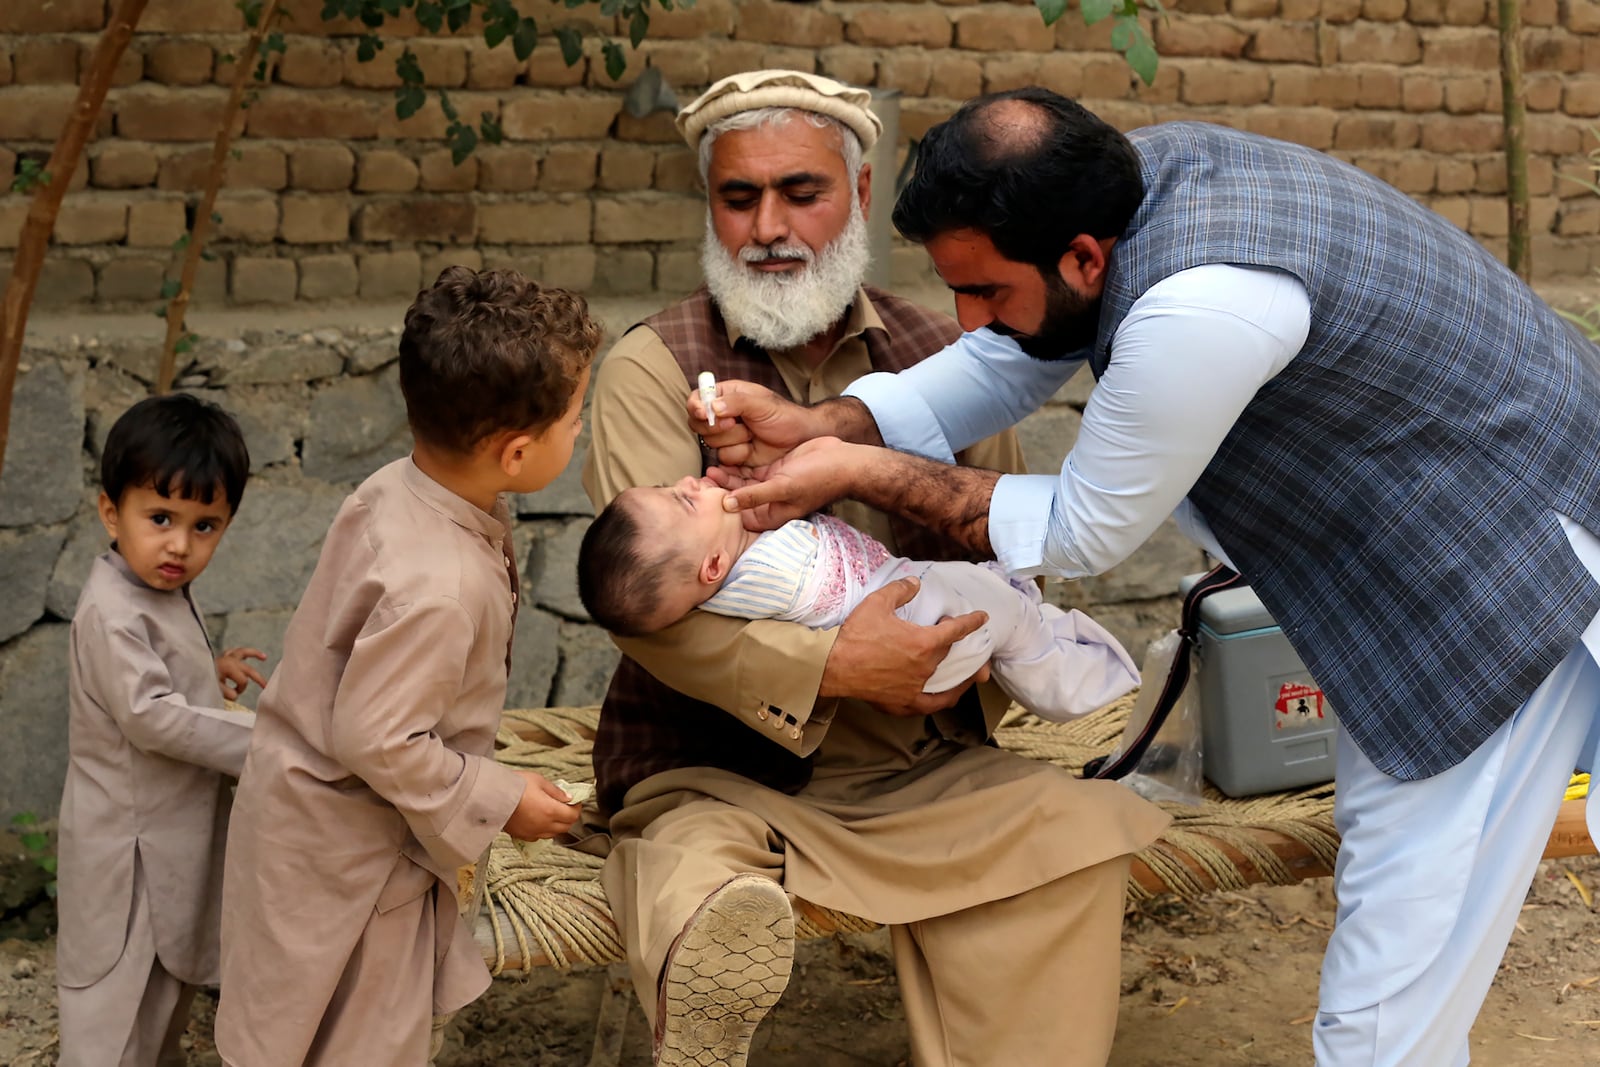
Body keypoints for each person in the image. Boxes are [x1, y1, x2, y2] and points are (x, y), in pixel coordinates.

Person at [699, 86, 1600, 1065]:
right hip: (1442, 554)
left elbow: (1083, 529)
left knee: (1386, 1004)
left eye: (985, 290)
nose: (967, 318)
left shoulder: (1196, 302)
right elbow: (1013, 353)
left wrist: (856, 469)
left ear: (1084, 256)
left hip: (1496, 591)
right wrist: (827, 424)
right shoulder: (1127, 186)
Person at [581, 70, 1170, 1067]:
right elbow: (649, 612)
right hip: (720, 762)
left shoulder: (950, 348)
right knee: (696, 866)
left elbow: (1002, 545)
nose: (769, 225)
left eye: (800, 192)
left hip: (921, 760)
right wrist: (837, 665)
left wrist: (974, 645)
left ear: (856, 198)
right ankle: (710, 959)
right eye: (738, 197)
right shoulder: (655, 367)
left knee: (1064, 829)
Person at [215, 267, 601, 1066]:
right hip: (355, 858)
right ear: (518, 450)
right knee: (358, 1041)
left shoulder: (396, 488)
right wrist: (499, 799)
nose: (580, 434)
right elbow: (376, 735)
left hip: (307, 817)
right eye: (577, 419)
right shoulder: (444, 583)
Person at [56, 393, 266, 1067]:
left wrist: (209, 669)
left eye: (205, 525)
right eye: (161, 517)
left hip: (167, 841)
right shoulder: (111, 612)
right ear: (110, 510)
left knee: (161, 999)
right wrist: (269, 742)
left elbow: (159, 674)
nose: (179, 543)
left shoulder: (154, 588)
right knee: (113, 1012)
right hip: (130, 854)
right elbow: (149, 714)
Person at [578, 475, 1139, 722]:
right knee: (1004, 609)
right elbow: (826, 582)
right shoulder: (770, 570)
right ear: (714, 568)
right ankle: (1072, 674)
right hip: (920, 628)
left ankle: (1042, 645)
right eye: (685, 500)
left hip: (923, 620)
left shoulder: (727, 566)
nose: (693, 481)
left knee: (996, 604)